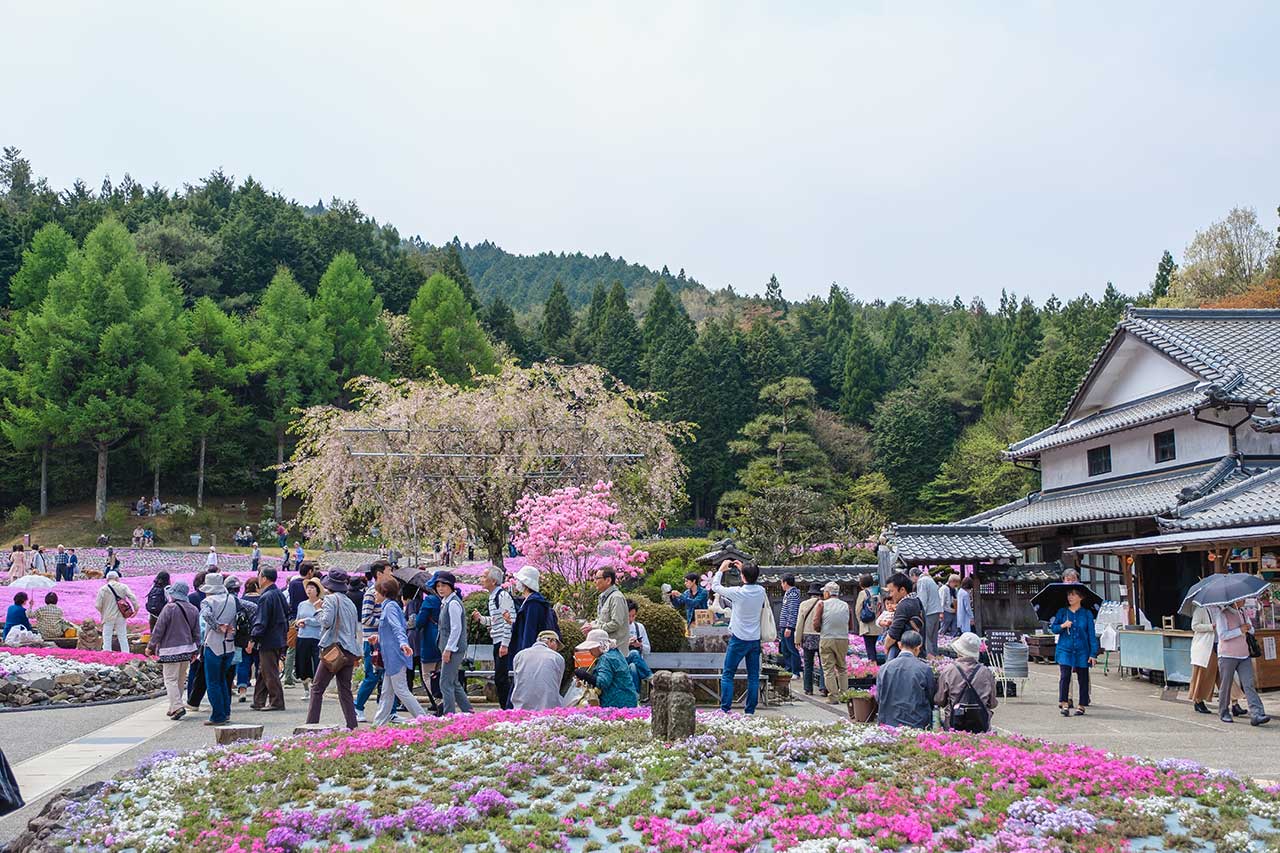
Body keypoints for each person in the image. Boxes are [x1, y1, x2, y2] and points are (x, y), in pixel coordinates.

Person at [305, 570, 361, 729]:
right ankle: (352, 726)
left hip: (335, 650)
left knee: (317, 688)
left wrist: (318, 609)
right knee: (345, 690)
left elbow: (326, 622)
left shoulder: (330, 599)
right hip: (350, 651)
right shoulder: (349, 602)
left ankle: (310, 726)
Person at [711, 558, 766, 714]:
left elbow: (716, 587)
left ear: (743, 576)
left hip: (738, 639)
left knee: (728, 673)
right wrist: (745, 571)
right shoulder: (761, 591)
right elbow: (753, 581)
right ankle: (749, 711)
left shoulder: (738, 593)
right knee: (753, 676)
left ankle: (725, 709)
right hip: (754, 639)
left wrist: (721, 570)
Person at [369, 577, 425, 725]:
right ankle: (378, 723)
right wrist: (378, 637)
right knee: (387, 692)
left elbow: (398, 628)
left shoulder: (390, 607)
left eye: (376, 592)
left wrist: (403, 644)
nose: (374, 594)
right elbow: (391, 631)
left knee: (400, 690)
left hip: (395, 657)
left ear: (384, 592)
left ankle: (424, 719)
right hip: (391, 658)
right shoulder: (390, 606)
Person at [146, 580, 199, 720]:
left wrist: (151, 646)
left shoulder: (170, 608)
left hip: (170, 650)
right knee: (180, 679)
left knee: (170, 679)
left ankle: (177, 706)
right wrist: (196, 650)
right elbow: (197, 632)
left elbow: (159, 629)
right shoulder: (193, 609)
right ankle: (174, 707)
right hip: (187, 649)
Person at [1212, 603, 1270, 726]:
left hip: (1244, 654)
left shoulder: (1243, 612)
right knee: (1226, 685)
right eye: (1241, 599)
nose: (1243, 601)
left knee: (1249, 684)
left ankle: (1257, 713)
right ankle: (1223, 712)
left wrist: (1248, 627)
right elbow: (1222, 635)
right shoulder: (1222, 614)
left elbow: (1252, 630)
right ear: (1234, 600)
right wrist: (1240, 630)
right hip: (1227, 655)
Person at [1049, 587, 1100, 717]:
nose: (1070, 597)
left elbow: (1091, 635)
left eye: (1073, 595)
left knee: (1083, 677)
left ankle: (1082, 705)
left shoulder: (1087, 614)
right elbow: (1053, 628)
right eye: (1069, 595)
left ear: (1080, 597)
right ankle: (1064, 702)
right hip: (1065, 648)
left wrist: (1093, 653)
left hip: (1082, 650)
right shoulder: (1062, 612)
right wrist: (1063, 625)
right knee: (1065, 675)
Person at [355, 561, 395, 723]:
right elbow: (365, 618)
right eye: (389, 571)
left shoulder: (386, 592)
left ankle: (390, 711)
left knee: (387, 677)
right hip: (371, 642)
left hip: (383, 641)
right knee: (372, 676)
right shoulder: (372, 592)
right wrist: (385, 622)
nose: (391, 573)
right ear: (379, 574)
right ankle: (357, 706)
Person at [472, 566, 517, 709]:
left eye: (484, 577)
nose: (481, 579)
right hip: (497, 640)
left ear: (493, 580)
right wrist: (481, 619)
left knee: (501, 678)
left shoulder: (502, 596)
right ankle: (506, 707)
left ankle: (508, 708)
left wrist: (505, 644)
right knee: (500, 678)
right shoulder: (493, 597)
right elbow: (496, 620)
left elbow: (510, 619)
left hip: (503, 643)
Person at [1189, 603, 1245, 716]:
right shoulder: (1201, 609)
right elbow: (1194, 626)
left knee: (1226, 676)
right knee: (1204, 675)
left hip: (1221, 647)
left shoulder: (1222, 610)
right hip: (1206, 647)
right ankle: (1198, 700)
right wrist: (1210, 627)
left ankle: (1235, 703)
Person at [934, 632, 997, 732]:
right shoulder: (986, 673)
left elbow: (940, 700)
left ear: (959, 651)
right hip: (980, 725)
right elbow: (993, 703)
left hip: (953, 725)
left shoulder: (948, 671)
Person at [199, 576, 238, 726]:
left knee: (213, 682)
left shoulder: (208, 601)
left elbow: (206, 615)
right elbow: (252, 609)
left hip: (213, 644)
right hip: (229, 644)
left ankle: (218, 715)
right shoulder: (233, 599)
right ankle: (226, 712)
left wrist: (217, 626)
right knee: (223, 680)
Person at [875, 630, 936, 729]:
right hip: (916, 723)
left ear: (899, 645)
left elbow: (878, 697)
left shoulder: (884, 668)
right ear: (918, 648)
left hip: (888, 722)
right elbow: (930, 697)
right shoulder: (924, 669)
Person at [248, 567, 288, 711]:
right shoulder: (279, 594)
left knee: (269, 671)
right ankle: (258, 700)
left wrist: (253, 638)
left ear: (264, 578)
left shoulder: (266, 597)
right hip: (279, 637)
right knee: (263, 670)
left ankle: (277, 701)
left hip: (268, 638)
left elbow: (261, 621)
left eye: (259, 576)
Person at [435, 571, 473, 714]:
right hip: (449, 647)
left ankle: (449, 714)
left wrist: (448, 649)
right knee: (454, 682)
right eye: (438, 585)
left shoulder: (453, 604)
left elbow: (456, 628)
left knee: (445, 682)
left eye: (444, 585)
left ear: (450, 586)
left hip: (453, 648)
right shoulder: (446, 602)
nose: (440, 588)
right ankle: (469, 712)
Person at [573, 629, 639, 708]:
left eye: (591, 647)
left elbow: (602, 682)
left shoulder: (606, 658)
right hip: (628, 699)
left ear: (600, 646)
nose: (589, 650)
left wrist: (585, 676)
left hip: (616, 703)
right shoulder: (615, 653)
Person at [813, 581, 854, 703]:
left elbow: (816, 623)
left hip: (827, 638)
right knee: (842, 668)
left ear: (827, 593)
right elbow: (851, 625)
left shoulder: (822, 604)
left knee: (828, 669)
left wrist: (820, 629)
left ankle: (833, 696)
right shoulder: (846, 605)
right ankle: (844, 695)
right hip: (843, 639)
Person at [509, 566, 557, 659]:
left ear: (525, 583)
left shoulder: (533, 603)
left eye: (519, 580)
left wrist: (525, 654)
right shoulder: (529, 601)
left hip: (532, 653)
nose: (517, 583)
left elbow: (529, 629)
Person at [511, 630, 564, 710]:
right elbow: (557, 684)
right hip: (548, 708)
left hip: (521, 706)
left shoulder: (519, 655)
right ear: (552, 641)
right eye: (557, 645)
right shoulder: (556, 657)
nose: (556, 649)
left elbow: (517, 680)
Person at [413, 577, 444, 715]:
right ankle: (441, 700)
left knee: (427, 674)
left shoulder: (430, 600)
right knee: (438, 672)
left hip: (430, 639)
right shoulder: (449, 599)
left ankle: (439, 701)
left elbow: (419, 622)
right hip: (443, 639)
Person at [284, 562, 317, 689]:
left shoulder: (292, 584)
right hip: (305, 619)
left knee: (292, 649)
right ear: (309, 571)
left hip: (293, 619)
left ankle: (289, 677)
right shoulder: (309, 585)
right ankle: (307, 677)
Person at [883, 573, 924, 661]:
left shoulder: (903, 605)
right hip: (915, 647)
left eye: (892, 591)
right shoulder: (916, 600)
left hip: (902, 650)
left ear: (902, 590)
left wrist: (886, 646)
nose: (890, 595)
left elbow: (893, 634)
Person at [293, 578, 324, 692]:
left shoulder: (321, 604)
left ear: (317, 591)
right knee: (303, 663)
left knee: (316, 662)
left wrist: (306, 621)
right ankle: (306, 688)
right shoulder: (302, 604)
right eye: (308, 588)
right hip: (303, 636)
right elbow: (297, 619)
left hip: (316, 637)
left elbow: (320, 621)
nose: (309, 590)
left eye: (312, 588)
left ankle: (316, 687)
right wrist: (298, 623)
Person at [95, 571, 138, 653]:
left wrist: (103, 612)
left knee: (107, 637)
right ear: (117, 578)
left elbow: (97, 605)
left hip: (108, 616)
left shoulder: (103, 589)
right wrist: (136, 609)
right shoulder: (123, 587)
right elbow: (132, 597)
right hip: (121, 615)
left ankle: (107, 654)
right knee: (122, 636)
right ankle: (126, 654)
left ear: (107, 579)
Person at [796, 582, 827, 696]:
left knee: (808, 663)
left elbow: (800, 623)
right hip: (821, 635)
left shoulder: (804, 604)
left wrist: (797, 639)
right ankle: (824, 687)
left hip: (807, 635)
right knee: (823, 663)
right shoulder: (824, 604)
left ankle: (808, 688)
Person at [234, 578, 261, 703]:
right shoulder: (262, 600)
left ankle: (242, 690)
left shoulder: (240, 602)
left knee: (243, 664)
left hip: (243, 637)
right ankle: (259, 692)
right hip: (259, 637)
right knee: (259, 665)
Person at [592, 567, 630, 652]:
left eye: (597, 578)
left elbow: (616, 623)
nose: (594, 581)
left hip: (616, 650)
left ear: (608, 580)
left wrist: (596, 628)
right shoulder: (603, 597)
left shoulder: (616, 597)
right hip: (606, 648)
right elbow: (601, 620)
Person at [910, 567, 943, 656]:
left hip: (929, 611)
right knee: (934, 636)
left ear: (913, 575)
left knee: (927, 636)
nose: (912, 581)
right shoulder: (930, 579)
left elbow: (922, 599)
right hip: (936, 610)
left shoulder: (921, 581)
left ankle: (930, 656)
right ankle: (935, 655)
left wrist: (919, 612)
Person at [625, 600, 653, 694]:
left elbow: (647, 649)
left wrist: (639, 645)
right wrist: (627, 644)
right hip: (622, 659)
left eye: (633, 616)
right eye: (629, 616)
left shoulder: (639, 627)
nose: (631, 619)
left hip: (637, 662)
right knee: (633, 653)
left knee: (633, 666)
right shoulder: (617, 628)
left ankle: (635, 697)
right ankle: (649, 676)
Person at [777, 573, 803, 677]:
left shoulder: (793, 595)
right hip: (784, 626)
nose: (781, 585)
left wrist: (789, 627)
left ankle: (795, 671)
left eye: (782, 583)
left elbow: (793, 611)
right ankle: (788, 669)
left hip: (788, 627)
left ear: (785, 583)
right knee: (785, 649)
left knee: (791, 649)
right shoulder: (788, 594)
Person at [854, 575, 882, 662]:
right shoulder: (877, 592)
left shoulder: (863, 593)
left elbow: (858, 609)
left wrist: (860, 621)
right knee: (873, 648)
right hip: (877, 626)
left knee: (870, 650)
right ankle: (875, 667)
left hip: (867, 626)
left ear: (861, 583)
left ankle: (873, 670)